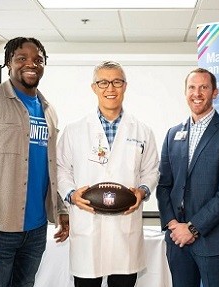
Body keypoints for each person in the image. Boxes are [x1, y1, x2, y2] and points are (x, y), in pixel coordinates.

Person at [0, 37, 69, 287]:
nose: (31, 64)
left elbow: (49, 167)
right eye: (22, 58)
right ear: (9, 63)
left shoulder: (48, 110)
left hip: (36, 230)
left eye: (38, 60)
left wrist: (60, 209)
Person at [57, 61, 159, 287]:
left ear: (125, 86)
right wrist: (72, 194)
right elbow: (61, 169)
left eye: (116, 82)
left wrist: (142, 192)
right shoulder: (74, 130)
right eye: (103, 82)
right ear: (94, 87)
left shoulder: (142, 130)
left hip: (125, 230)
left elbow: (151, 170)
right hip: (87, 226)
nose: (110, 88)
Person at [156, 68, 219, 287]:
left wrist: (192, 228)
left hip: (215, 242)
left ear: (214, 92)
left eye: (203, 87)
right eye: (192, 87)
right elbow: (164, 185)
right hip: (177, 240)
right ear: (185, 92)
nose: (197, 93)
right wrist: (172, 225)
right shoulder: (172, 133)